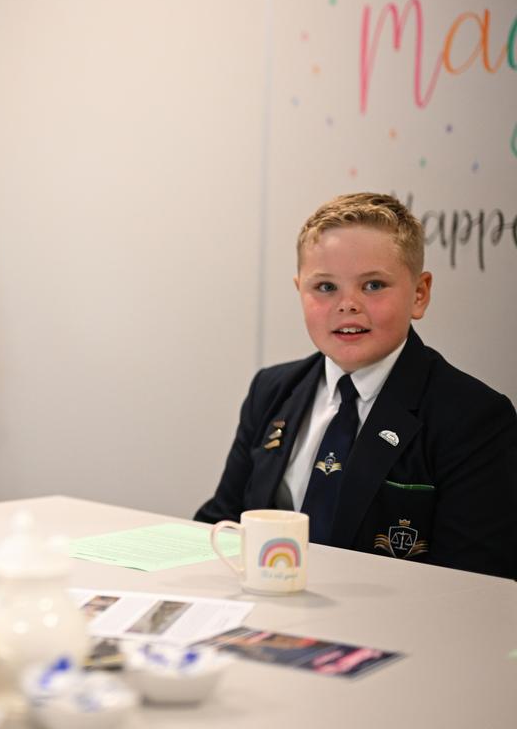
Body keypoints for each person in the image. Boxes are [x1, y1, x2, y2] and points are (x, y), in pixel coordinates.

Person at [195, 193, 516, 579]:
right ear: (300, 290)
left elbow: (475, 582)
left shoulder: (472, 417)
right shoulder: (272, 389)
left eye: (373, 285)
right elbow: (221, 521)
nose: (347, 305)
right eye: (325, 287)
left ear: (419, 293)